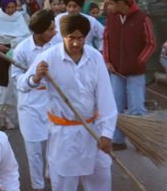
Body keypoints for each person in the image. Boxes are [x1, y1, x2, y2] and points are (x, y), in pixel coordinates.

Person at [19, 13, 117, 191]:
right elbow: (22, 85)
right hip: (63, 135)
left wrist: (107, 134)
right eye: (71, 38)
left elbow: (106, 98)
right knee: (64, 183)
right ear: (63, 36)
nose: (75, 43)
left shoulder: (95, 58)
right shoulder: (48, 57)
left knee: (100, 180)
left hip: (92, 132)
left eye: (80, 38)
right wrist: (35, 77)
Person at [102, 0, 155, 151]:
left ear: (120, 3)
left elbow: (151, 43)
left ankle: (140, 142)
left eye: (110, 4)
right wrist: (107, 60)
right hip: (116, 71)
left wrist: (139, 62)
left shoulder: (142, 18)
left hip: (136, 73)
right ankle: (118, 140)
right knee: (115, 106)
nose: (108, 8)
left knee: (136, 108)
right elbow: (106, 40)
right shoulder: (111, 17)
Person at [10, 10, 55, 191]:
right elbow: (17, 81)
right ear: (39, 32)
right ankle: (38, 186)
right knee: (34, 151)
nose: (54, 33)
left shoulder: (57, 45)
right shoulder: (22, 50)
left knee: (54, 145)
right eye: (50, 29)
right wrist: (34, 78)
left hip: (52, 102)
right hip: (30, 105)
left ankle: (52, 175)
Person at [0, 0, 31, 130]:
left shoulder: (19, 17)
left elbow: (26, 35)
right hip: (0, 55)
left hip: (15, 54)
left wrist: (15, 44)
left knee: (12, 88)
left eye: (13, 7)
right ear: (3, 7)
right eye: (8, 8)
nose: (11, 10)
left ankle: (9, 118)